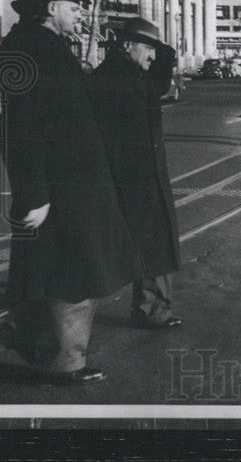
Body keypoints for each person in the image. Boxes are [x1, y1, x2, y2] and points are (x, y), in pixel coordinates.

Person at [0, 0, 141, 384]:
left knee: (66, 270)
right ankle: (60, 360)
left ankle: (35, 340)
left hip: (73, 185)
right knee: (73, 273)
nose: (81, 13)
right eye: (75, 7)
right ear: (50, 8)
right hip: (61, 189)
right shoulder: (30, 50)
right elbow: (20, 128)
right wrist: (34, 195)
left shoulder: (43, 46)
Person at [90, 17, 183, 330]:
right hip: (133, 179)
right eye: (148, 48)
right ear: (127, 46)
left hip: (143, 177)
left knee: (151, 245)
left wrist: (162, 50)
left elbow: (157, 86)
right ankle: (151, 309)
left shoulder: (127, 74)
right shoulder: (115, 79)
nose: (153, 56)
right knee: (148, 245)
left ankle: (153, 308)